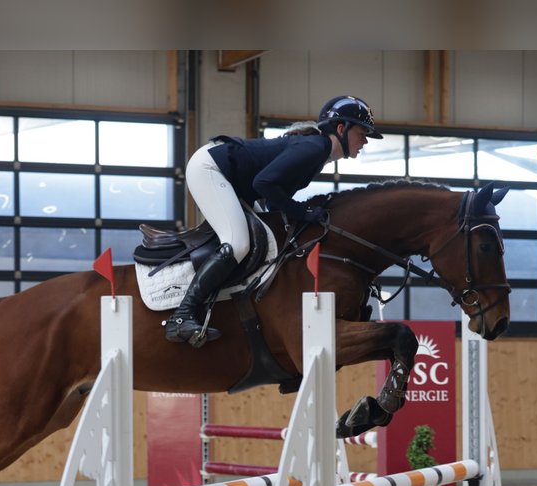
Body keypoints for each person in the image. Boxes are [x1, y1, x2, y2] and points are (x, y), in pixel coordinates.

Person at [164, 95, 383, 346]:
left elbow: (274, 199)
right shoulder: (315, 148)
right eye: (362, 132)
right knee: (238, 244)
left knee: (266, 244)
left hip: (234, 181)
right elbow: (264, 184)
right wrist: (304, 212)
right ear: (341, 128)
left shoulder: (317, 153)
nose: (365, 141)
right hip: (211, 169)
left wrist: (302, 214)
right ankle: (182, 316)